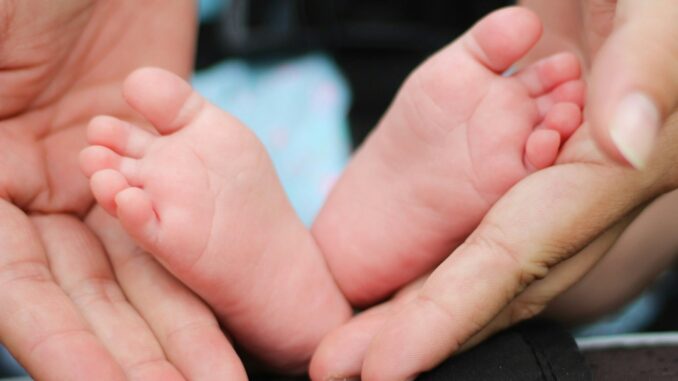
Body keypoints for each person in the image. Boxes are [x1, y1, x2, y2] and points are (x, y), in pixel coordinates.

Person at [0, 0, 676, 380]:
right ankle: (344, 259)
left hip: (226, 109)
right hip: (388, 85)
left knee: (609, 154)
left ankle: (294, 276)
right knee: (590, 180)